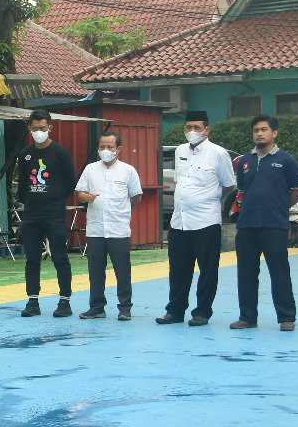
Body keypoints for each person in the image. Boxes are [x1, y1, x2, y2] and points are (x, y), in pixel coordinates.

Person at [156, 110, 236, 327]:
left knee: (207, 270)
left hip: (206, 221)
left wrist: (213, 204)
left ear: (207, 130)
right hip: (179, 221)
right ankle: (175, 310)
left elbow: (229, 185)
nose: (192, 131)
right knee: (178, 269)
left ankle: (202, 312)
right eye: (188, 127)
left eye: (197, 127)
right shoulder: (180, 151)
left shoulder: (218, 154)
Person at [231, 115, 298, 331]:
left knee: (279, 272)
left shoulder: (286, 160)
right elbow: (243, 191)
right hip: (247, 226)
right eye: (256, 130)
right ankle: (247, 317)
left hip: (274, 225)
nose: (259, 133)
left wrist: (280, 206)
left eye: (264, 129)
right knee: (246, 273)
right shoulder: (245, 161)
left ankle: (286, 317)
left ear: (274, 133)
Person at [75, 131, 143, 320]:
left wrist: (121, 210)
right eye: (102, 147)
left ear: (118, 149)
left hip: (118, 229)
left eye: (110, 147)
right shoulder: (90, 169)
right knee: (95, 271)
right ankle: (97, 307)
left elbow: (136, 197)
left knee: (122, 271)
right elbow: (80, 192)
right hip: (95, 230)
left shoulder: (128, 171)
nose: (105, 150)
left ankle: (124, 307)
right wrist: (86, 197)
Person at [15, 109, 77, 317]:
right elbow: (22, 185)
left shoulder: (60, 152)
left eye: (42, 128)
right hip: (31, 215)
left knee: (60, 257)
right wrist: (31, 201)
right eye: (35, 128)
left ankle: (64, 301)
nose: (39, 131)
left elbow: (70, 183)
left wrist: (55, 199)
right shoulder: (25, 154)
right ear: (29, 129)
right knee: (32, 259)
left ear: (50, 128)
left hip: (54, 214)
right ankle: (33, 301)